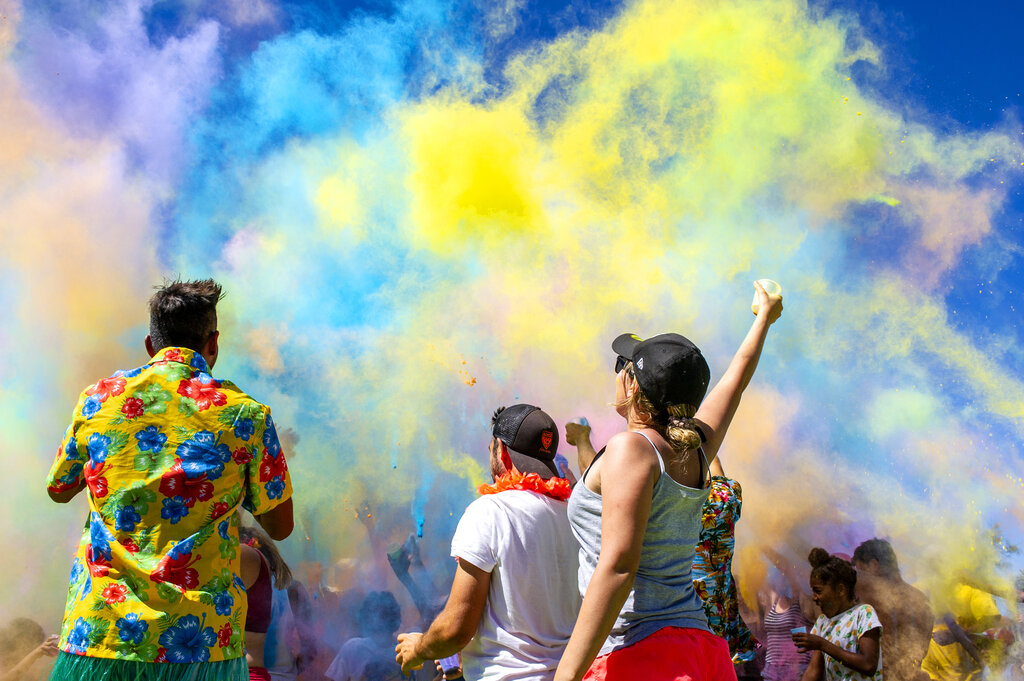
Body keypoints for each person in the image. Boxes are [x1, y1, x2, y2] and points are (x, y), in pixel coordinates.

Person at [45, 278, 294, 680]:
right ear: (213, 343)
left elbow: (59, 489)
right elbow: (280, 527)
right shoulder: (246, 415)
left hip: (102, 635)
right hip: (201, 646)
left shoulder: (99, 398)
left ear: (150, 345)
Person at [554, 280, 783, 681]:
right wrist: (764, 318)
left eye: (623, 367)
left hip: (641, 655)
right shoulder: (692, 449)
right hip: (697, 649)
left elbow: (620, 568)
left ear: (633, 385)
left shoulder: (633, 449)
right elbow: (736, 381)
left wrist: (566, 674)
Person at [395, 404, 581, 680]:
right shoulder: (575, 515)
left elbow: (454, 630)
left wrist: (418, 648)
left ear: (501, 450)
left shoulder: (491, 511)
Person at [563, 426, 760, 665]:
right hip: (716, 640)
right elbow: (710, 463)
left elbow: (602, 491)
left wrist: (582, 440)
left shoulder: (658, 503)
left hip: (668, 636)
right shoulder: (723, 500)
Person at [792, 548, 881, 681]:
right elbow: (813, 671)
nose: (814, 598)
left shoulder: (863, 614)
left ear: (840, 590)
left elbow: (868, 665)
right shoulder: (822, 622)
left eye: (818, 591)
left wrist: (822, 644)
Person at [851, 539, 932, 681]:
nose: (862, 577)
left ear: (874, 565)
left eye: (861, 571)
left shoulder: (873, 592)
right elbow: (921, 651)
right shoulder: (923, 601)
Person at [760, 548, 816, 681]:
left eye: (781, 573)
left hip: (797, 669)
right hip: (772, 670)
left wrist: (785, 565)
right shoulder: (773, 599)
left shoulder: (800, 600)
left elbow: (791, 577)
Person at [327, 591, 404, 681]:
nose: (379, 621)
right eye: (374, 613)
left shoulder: (405, 652)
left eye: (384, 615)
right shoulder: (353, 648)